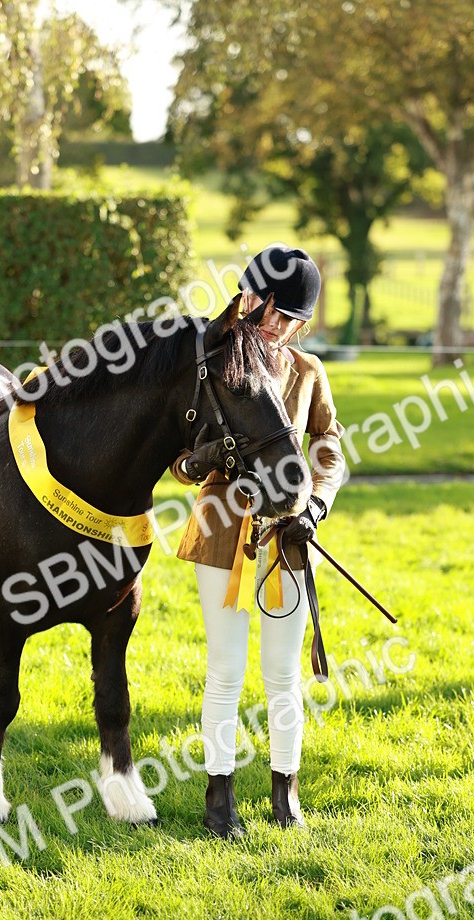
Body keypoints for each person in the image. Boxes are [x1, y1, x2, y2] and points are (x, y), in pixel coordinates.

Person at [171, 245, 346, 838]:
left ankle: (285, 789)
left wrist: (315, 507)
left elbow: (327, 452)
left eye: (289, 320)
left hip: (288, 535)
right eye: (268, 313)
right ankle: (219, 797)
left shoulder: (309, 372)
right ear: (247, 301)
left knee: (282, 673)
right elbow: (176, 458)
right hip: (223, 531)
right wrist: (200, 462)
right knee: (224, 669)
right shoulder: (211, 362)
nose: (276, 328)